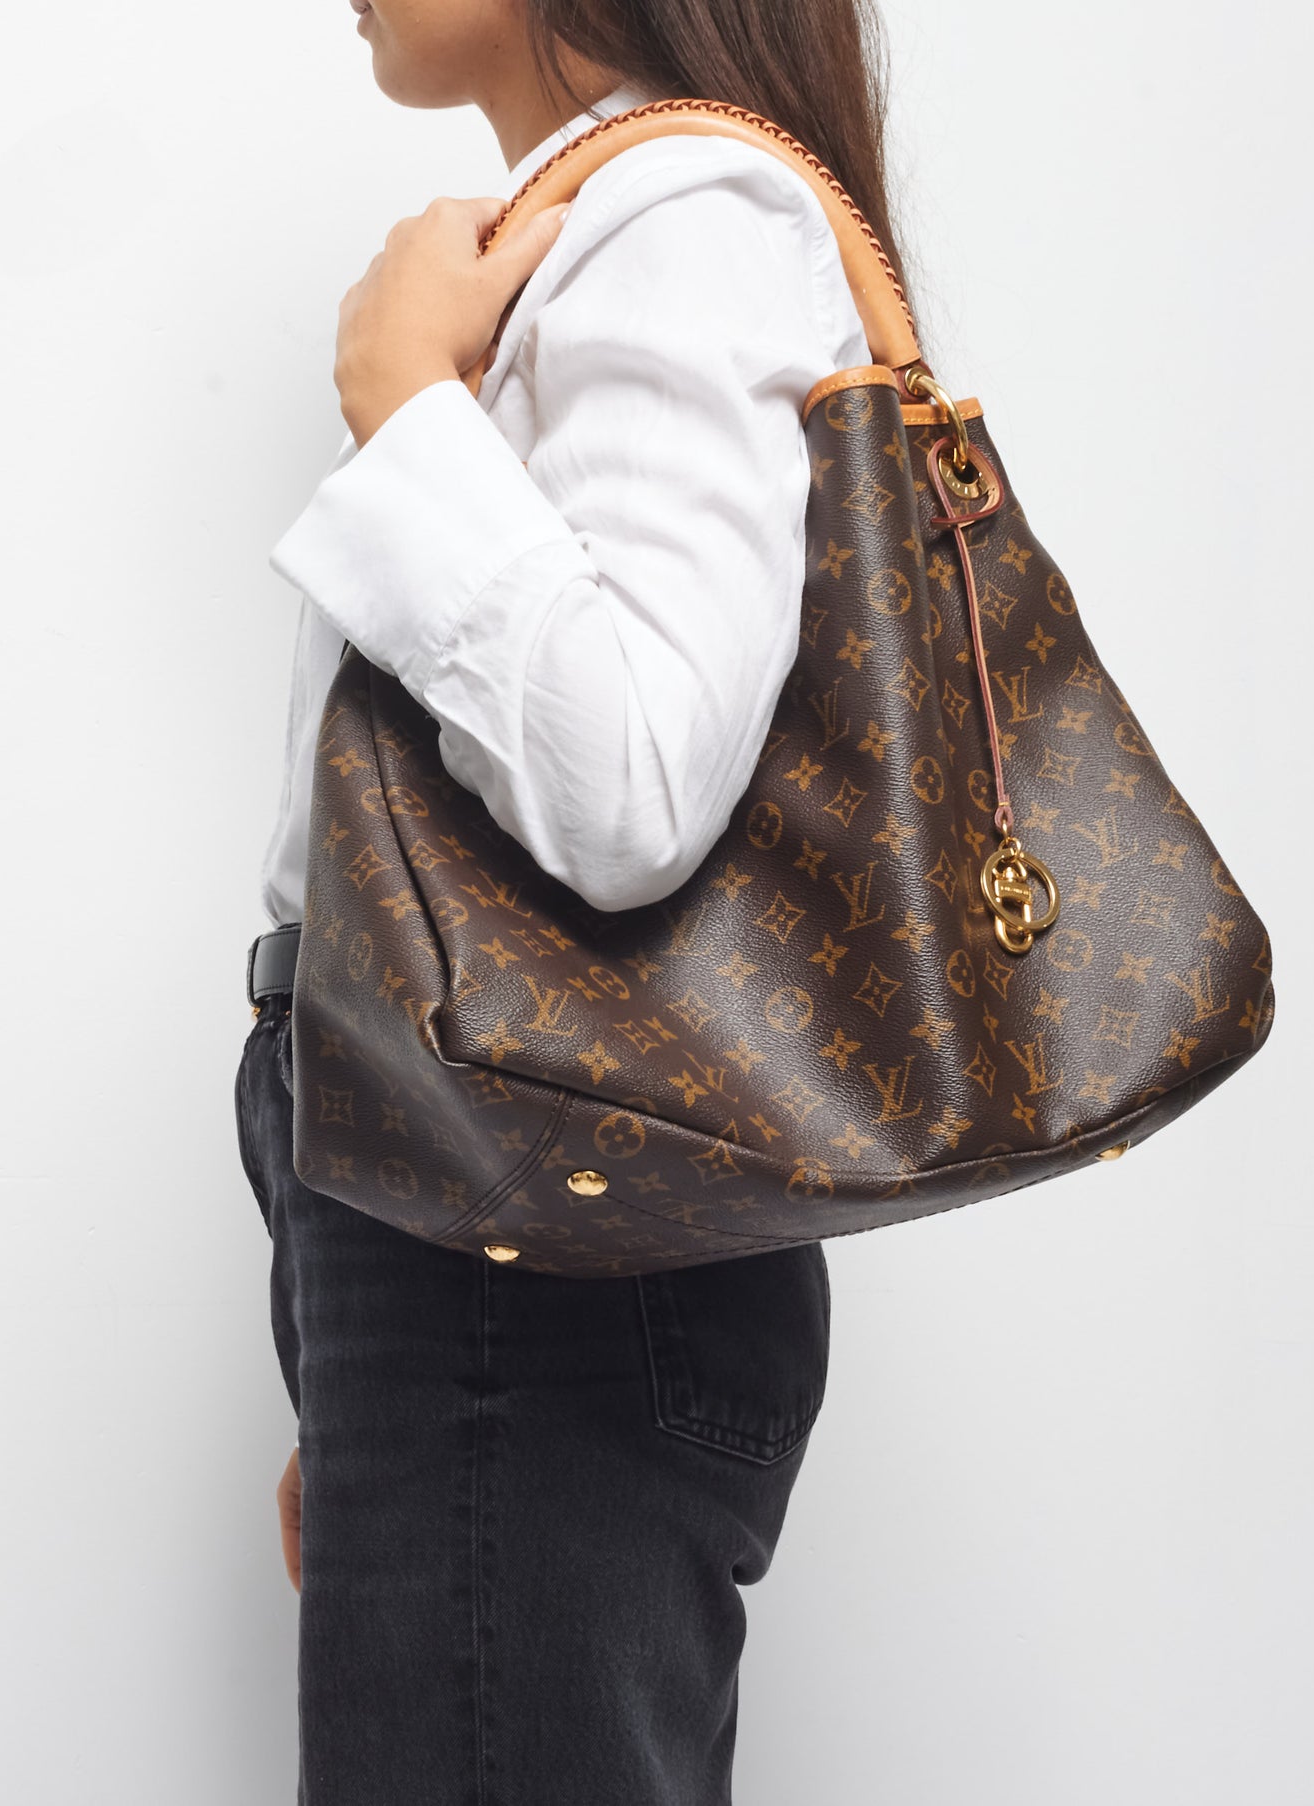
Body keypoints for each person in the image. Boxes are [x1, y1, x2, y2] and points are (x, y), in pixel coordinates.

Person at [233, 2, 913, 1799]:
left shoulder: (686, 215)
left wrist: (406, 400)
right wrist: (366, 1353)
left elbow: (629, 787)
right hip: (471, 1232)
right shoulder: (607, 224)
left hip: (529, 1246)